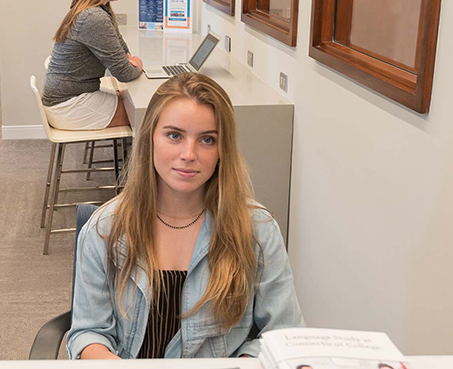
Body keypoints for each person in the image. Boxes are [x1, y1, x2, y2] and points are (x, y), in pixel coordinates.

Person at [67, 72, 303, 359]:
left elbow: (283, 334)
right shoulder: (105, 228)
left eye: (206, 140)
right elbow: (89, 332)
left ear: (222, 150)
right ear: (150, 138)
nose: (188, 154)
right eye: (174, 135)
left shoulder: (257, 229)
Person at [42, 0, 144, 130]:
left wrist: (128, 61)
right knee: (147, 114)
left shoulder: (98, 9)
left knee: (137, 104)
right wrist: (138, 64)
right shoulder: (93, 17)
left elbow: (122, 50)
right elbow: (125, 73)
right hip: (69, 105)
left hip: (73, 96)